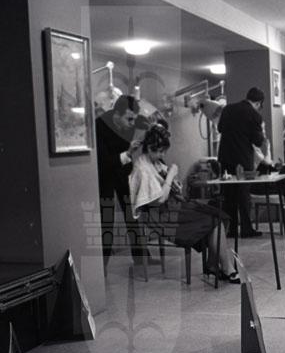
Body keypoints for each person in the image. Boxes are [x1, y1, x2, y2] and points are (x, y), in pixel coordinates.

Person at [129, 123, 240, 283]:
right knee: (214, 221)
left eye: (163, 151)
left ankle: (213, 264)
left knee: (220, 216)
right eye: (159, 151)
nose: (162, 155)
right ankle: (226, 268)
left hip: (172, 206)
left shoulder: (154, 162)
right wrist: (169, 177)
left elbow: (167, 190)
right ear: (149, 148)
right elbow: (159, 199)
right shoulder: (142, 168)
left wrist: (174, 184)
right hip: (160, 215)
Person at [96, 95, 144, 268]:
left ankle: (141, 259)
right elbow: (102, 162)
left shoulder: (129, 123)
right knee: (106, 221)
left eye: (134, 119)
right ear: (116, 114)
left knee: (132, 215)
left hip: (122, 172)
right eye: (129, 119)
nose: (132, 123)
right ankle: (102, 268)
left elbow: (141, 121)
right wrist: (128, 154)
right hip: (105, 175)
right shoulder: (99, 126)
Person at [217, 87, 266, 238]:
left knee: (228, 195)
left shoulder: (228, 109)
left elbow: (220, 128)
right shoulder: (255, 115)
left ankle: (230, 229)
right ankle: (246, 228)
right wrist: (262, 133)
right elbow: (257, 141)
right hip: (243, 160)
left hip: (225, 157)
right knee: (243, 195)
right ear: (258, 103)